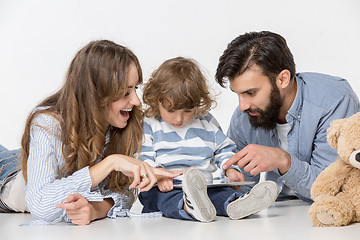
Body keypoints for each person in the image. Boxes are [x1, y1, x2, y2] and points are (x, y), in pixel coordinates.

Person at [0, 40, 179, 225]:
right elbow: (40, 205)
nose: (136, 101)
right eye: (125, 92)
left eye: (135, 89)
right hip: (9, 175)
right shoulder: (48, 124)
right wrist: (111, 163)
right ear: (96, 94)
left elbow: (124, 192)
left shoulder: (124, 123)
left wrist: (96, 209)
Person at [215, 31, 360, 202]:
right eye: (237, 94)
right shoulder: (243, 117)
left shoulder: (333, 101)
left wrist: (282, 160)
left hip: (328, 219)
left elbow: (334, 188)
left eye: (251, 92)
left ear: (283, 79)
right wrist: (231, 178)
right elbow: (243, 185)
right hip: (276, 217)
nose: (242, 105)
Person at [138, 57, 278, 223]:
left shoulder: (206, 122)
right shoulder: (150, 124)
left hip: (206, 188)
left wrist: (230, 170)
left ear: (198, 104)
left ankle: (236, 204)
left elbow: (224, 150)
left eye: (188, 110)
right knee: (165, 199)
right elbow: (143, 159)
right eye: (171, 110)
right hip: (166, 187)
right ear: (156, 100)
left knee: (220, 194)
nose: (179, 118)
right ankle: (189, 207)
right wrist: (159, 176)